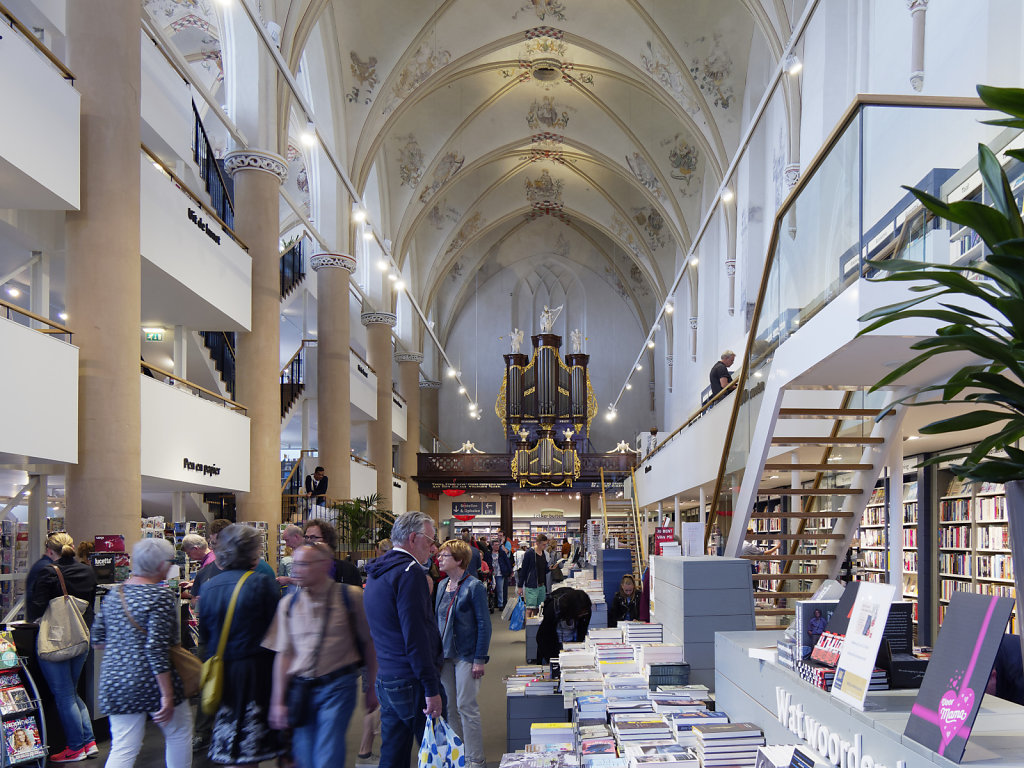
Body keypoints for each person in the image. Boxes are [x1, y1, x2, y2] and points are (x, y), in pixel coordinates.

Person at [265, 543, 378, 768]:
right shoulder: (288, 604)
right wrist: (277, 701)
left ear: (325, 565)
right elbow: (283, 655)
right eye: (295, 564)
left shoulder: (351, 597)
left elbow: (369, 643)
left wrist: (372, 687)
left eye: (304, 564)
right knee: (304, 755)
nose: (296, 570)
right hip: (301, 689)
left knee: (327, 753)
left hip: (338, 687)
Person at [93, 538, 193, 768]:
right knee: (178, 732)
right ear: (160, 566)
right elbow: (157, 648)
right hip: (153, 681)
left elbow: (98, 640)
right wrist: (167, 696)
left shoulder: (114, 595)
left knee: (124, 746)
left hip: (116, 681)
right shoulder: (161, 597)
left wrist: (125, 649)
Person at [364, 511, 443, 768]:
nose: (433, 548)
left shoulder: (378, 571)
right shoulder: (410, 573)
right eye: (430, 541)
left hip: (388, 676)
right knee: (436, 751)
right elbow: (416, 636)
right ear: (413, 538)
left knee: (394, 752)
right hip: (412, 680)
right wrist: (431, 688)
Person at [198, 524, 282, 767]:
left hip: (222, 671)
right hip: (255, 672)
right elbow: (275, 635)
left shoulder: (209, 586)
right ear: (252, 552)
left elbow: (204, 633)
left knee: (230, 740)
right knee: (249, 746)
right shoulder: (262, 584)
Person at [27, 532, 98, 762]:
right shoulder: (87, 570)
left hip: (56, 643)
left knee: (64, 696)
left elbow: (36, 609)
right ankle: (89, 742)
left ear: (50, 551)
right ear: (72, 546)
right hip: (81, 638)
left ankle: (76, 747)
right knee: (72, 693)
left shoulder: (49, 572)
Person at [434, 540, 491, 768]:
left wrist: (479, 658)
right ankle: (458, 754)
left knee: (466, 705)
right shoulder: (441, 586)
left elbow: (484, 624)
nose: (439, 559)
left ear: (458, 560)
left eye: (444, 556)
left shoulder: (474, 586)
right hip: (444, 656)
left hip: (466, 654)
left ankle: (475, 759)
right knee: (449, 707)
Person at [536, 587, 592, 663]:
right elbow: (543, 638)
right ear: (572, 610)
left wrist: (577, 649)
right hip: (553, 643)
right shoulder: (553, 609)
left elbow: (582, 631)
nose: (582, 615)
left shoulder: (586, 610)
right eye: (580, 613)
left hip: (572, 644)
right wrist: (552, 660)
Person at [303, 519, 362, 586]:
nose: (308, 541)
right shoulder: (302, 570)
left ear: (327, 540)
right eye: (306, 537)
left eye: (313, 537)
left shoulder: (349, 571)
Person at [516, 534, 549, 618]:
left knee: (538, 609)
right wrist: (520, 586)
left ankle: (534, 628)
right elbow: (523, 570)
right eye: (543, 544)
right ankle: (529, 629)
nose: (545, 546)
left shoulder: (543, 553)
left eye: (546, 544)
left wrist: (550, 568)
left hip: (541, 586)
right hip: (532, 585)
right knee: (529, 609)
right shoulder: (529, 553)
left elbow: (543, 569)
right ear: (537, 543)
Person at [275, 524, 306, 588]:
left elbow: (310, 581)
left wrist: (288, 580)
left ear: (296, 537)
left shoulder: (310, 553)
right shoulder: (297, 553)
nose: (287, 544)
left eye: (287, 540)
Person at [488, 539, 512, 610]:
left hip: (500, 573)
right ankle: (492, 604)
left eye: (498, 545)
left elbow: (507, 562)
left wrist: (509, 571)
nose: (497, 546)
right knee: (491, 590)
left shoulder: (502, 553)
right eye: (495, 545)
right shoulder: (488, 554)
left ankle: (500, 604)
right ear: (492, 546)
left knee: (500, 590)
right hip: (491, 574)